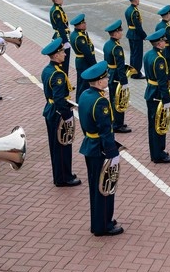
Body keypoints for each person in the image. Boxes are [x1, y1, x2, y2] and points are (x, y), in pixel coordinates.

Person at [77, 61, 124, 236]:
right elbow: (106, 131)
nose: (107, 79)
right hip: (100, 150)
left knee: (95, 187)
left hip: (90, 145)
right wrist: (113, 153)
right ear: (98, 82)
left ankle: (100, 221)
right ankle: (103, 225)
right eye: (105, 77)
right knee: (104, 188)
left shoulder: (84, 95)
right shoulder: (100, 102)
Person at [41, 37, 81, 187]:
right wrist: (67, 114)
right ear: (56, 55)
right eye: (62, 52)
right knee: (62, 147)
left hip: (50, 111)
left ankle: (61, 174)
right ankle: (64, 178)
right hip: (58, 114)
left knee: (56, 147)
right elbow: (59, 99)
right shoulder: (58, 74)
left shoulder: (48, 69)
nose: (65, 54)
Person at [144, 29, 170, 163]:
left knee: (153, 125)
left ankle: (155, 152)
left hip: (150, 91)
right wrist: (166, 100)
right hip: (158, 94)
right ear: (158, 44)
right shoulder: (160, 60)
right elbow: (162, 82)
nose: (165, 42)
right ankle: (159, 154)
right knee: (159, 125)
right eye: (163, 41)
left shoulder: (148, 54)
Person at [103, 20, 131, 133]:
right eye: (120, 31)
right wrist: (124, 81)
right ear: (115, 33)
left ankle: (115, 120)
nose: (121, 32)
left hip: (110, 72)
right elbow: (120, 66)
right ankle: (117, 125)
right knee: (119, 100)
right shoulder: (117, 48)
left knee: (113, 99)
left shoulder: (108, 44)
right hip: (116, 75)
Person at [70, 13, 96, 104]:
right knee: (84, 84)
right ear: (79, 25)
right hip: (84, 62)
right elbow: (87, 53)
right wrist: (95, 66)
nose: (85, 24)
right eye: (83, 23)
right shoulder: (80, 37)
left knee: (81, 83)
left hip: (81, 62)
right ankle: (81, 102)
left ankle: (80, 101)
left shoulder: (76, 34)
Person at [155, 5, 170, 95]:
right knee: (169, 70)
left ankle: (162, 87)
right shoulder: (167, 27)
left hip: (160, 50)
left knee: (162, 70)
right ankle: (168, 89)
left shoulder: (158, 25)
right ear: (168, 14)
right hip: (167, 51)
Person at [124, 0, 147, 79]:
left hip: (130, 33)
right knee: (137, 55)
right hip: (136, 35)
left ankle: (132, 71)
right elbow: (137, 26)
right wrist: (144, 35)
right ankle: (136, 73)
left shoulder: (128, 10)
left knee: (133, 54)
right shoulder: (134, 12)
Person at [48, 0, 72, 75]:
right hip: (62, 36)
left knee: (64, 61)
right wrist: (65, 41)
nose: (62, 0)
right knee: (63, 61)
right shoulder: (56, 11)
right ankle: (64, 82)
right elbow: (60, 26)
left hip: (62, 35)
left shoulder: (58, 8)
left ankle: (65, 80)